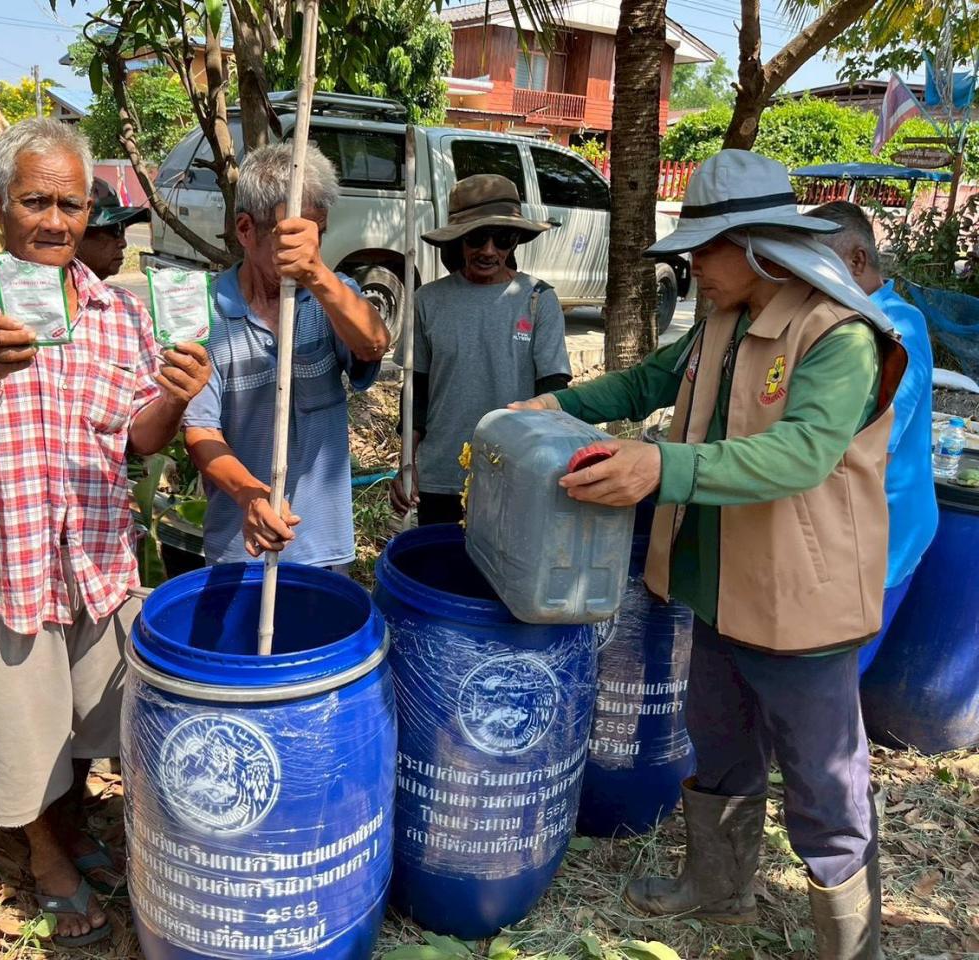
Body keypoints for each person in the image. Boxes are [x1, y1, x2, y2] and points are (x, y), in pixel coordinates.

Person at [513, 150, 907, 959]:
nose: (693, 267)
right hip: (717, 582)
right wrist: (556, 402)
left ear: (762, 244)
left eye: (704, 249)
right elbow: (645, 384)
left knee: (823, 781)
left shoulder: (839, 336)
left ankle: (851, 943)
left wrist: (663, 466)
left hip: (801, 599)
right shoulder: (724, 321)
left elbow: (801, 455)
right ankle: (720, 888)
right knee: (720, 742)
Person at [0, 119, 210, 947]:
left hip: (99, 562)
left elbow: (140, 438)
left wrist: (177, 396)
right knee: (24, 726)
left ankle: (73, 828)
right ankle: (45, 855)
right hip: (11, 565)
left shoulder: (116, 312)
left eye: (70, 204)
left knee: (83, 721)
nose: (55, 221)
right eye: (35, 201)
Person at [183, 143, 389, 569]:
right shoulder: (205, 314)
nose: (308, 250)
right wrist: (251, 496)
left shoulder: (331, 296)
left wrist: (316, 275)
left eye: (316, 235)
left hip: (324, 548)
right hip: (240, 547)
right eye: (292, 237)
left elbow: (373, 343)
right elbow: (201, 432)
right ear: (245, 230)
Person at [390, 174, 572, 526]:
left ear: (515, 241)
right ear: (458, 240)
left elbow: (553, 394)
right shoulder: (428, 301)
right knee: (442, 572)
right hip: (440, 477)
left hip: (514, 472)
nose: (489, 250)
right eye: (476, 238)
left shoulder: (538, 301)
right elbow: (416, 393)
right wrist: (407, 464)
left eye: (502, 239)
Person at [806, 201, 938, 674]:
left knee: (834, 685)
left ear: (858, 260)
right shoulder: (837, 321)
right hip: (844, 529)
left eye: (818, 267)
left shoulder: (897, 328)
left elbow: (875, 438)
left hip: (885, 531)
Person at [75, 177, 150, 281]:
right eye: (114, 230)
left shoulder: (117, 297)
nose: (123, 243)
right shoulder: (52, 294)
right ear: (77, 235)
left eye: (122, 229)